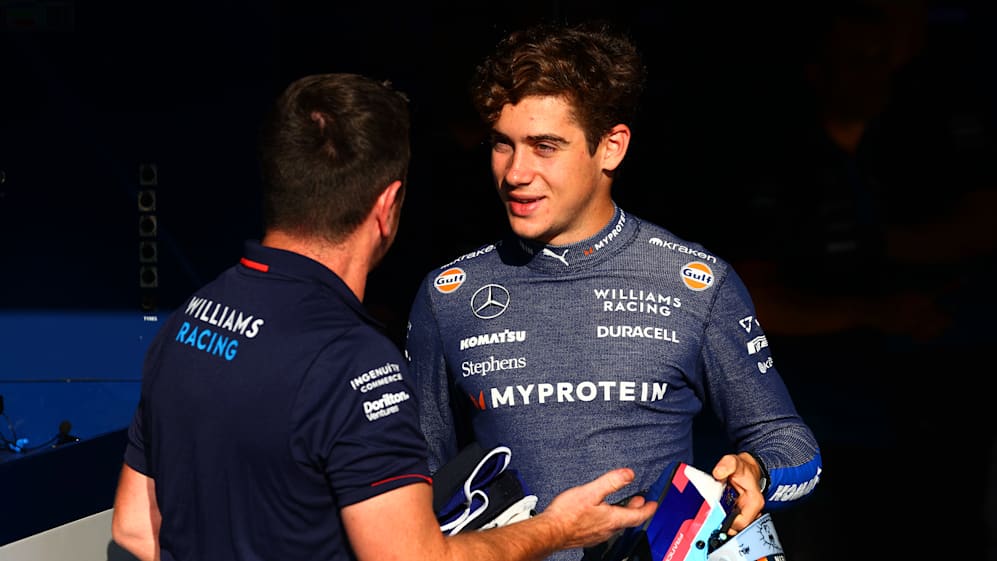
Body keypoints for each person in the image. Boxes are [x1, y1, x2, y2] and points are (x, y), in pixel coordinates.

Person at [110, 72, 656, 561]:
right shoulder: (357, 363)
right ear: (388, 205)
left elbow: (134, 528)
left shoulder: (190, 321)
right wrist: (557, 529)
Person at [404, 20, 822, 561]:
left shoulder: (694, 283)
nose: (515, 172)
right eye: (503, 145)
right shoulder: (449, 295)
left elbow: (792, 444)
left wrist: (757, 470)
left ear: (611, 147)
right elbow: (414, 481)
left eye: (545, 147)